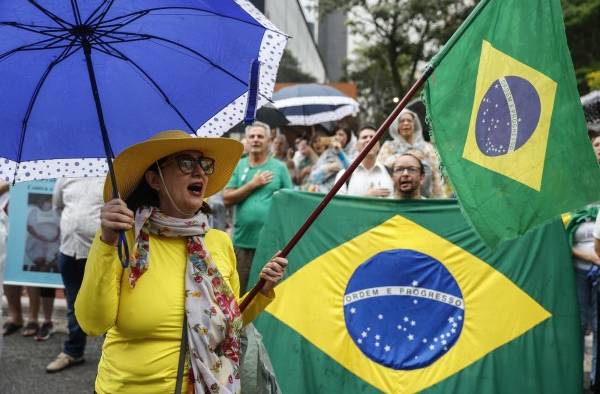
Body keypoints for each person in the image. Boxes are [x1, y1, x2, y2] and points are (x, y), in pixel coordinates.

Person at [75, 130, 287, 393]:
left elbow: (229, 323)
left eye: (204, 164)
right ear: (155, 179)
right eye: (186, 163)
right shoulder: (124, 238)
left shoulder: (218, 242)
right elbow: (92, 323)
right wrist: (106, 241)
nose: (200, 172)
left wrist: (262, 291)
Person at [223, 122, 292, 292]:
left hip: (270, 243)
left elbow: (289, 202)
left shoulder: (280, 168)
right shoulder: (239, 166)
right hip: (242, 241)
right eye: (252, 136)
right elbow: (226, 198)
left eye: (260, 136)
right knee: (239, 291)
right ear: (246, 139)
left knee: (265, 291)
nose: (255, 140)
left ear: (269, 140)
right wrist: (252, 184)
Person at [45, 177, 104, 373]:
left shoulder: (111, 177)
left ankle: (111, 358)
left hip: (101, 254)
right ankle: (73, 352)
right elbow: (57, 207)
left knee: (107, 304)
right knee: (73, 304)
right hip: (69, 250)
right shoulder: (66, 176)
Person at [566, 203, 600, 387]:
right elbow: (566, 244)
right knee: (579, 324)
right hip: (579, 274)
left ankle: (595, 379)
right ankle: (575, 377)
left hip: (598, 274)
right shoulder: (573, 213)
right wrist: (592, 257)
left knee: (597, 326)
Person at [377, 109, 444, 198]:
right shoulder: (388, 146)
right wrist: (409, 156)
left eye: (409, 120)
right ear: (397, 125)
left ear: (414, 125)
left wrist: (438, 198)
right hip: (396, 197)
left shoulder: (427, 147)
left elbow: (436, 173)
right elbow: (380, 167)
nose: (406, 123)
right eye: (402, 121)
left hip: (425, 198)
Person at [335, 126, 394, 198]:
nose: (369, 140)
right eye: (364, 137)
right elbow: (340, 206)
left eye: (372, 137)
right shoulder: (344, 175)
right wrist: (367, 197)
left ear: (378, 145)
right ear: (357, 145)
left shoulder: (391, 173)